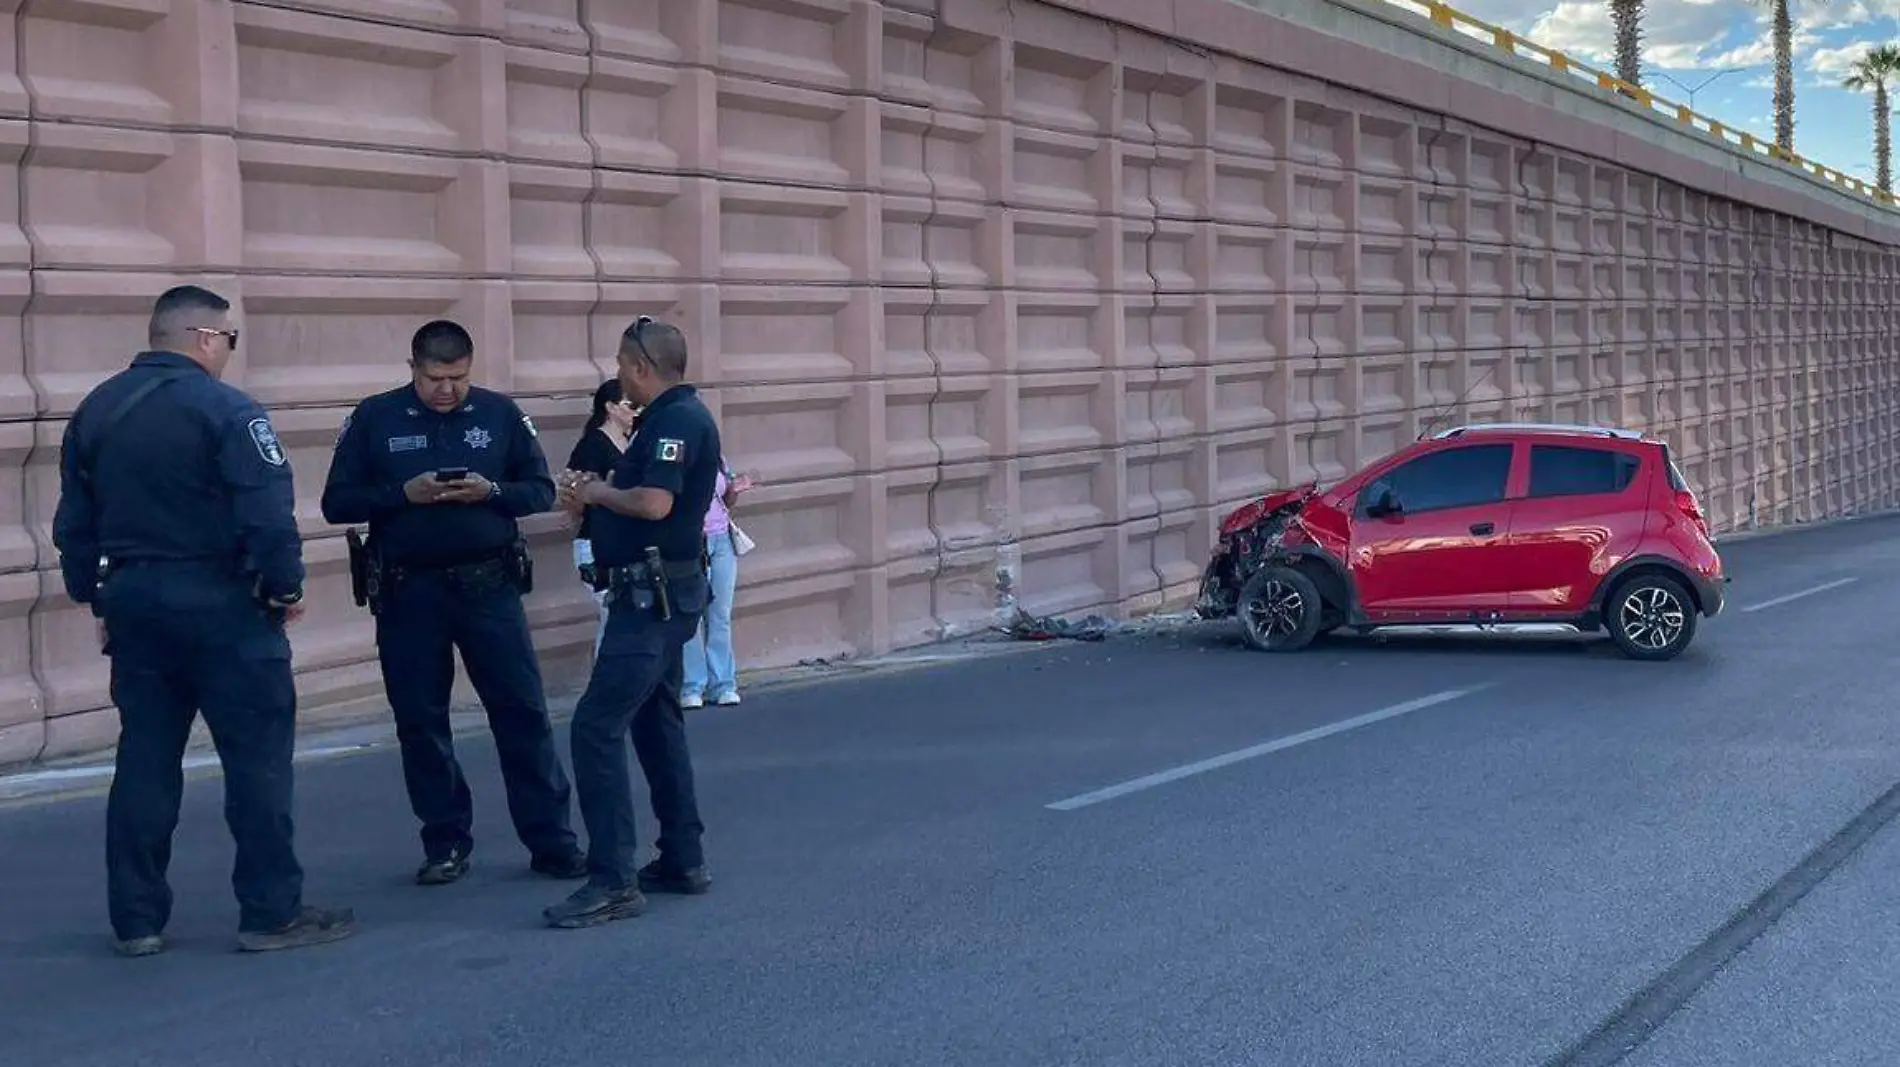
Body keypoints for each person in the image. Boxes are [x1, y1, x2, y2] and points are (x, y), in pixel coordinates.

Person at [51, 284, 356, 957]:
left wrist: (97, 599)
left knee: (145, 759)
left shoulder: (96, 411)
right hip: (223, 605)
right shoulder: (229, 410)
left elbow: (74, 522)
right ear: (206, 338)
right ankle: (271, 911)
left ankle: (136, 920)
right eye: (229, 341)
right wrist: (284, 587)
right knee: (257, 762)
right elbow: (266, 512)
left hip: (136, 604)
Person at [320, 319, 586, 887]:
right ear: (412, 369)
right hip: (408, 589)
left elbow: (539, 490)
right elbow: (336, 501)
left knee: (521, 713)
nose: (447, 390)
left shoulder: (500, 414)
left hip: (488, 585)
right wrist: (401, 496)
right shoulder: (375, 418)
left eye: (459, 378)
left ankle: (551, 839)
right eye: (435, 378)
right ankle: (444, 841)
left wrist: (490, 491)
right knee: (421, 721)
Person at [544, 315, 720, 930]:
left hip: (651, 600)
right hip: (660, 592)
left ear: (641, 367)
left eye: (622, 367)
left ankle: (612, 880)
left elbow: (654, 503)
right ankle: (682, 856)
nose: (619, 378)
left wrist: (595, 492)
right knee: (655, 718)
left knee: (595, 727)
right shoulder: (673, 418)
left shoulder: (674, 421)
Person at [563, 378, 641, 652]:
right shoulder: (593, 445)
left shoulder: (634, 442)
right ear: (610, 407)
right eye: (629, 404)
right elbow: (572, 491)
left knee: (620, 621)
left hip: (626, 543)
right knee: (614, 617)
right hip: (596, 543)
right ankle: (606, 688)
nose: (636, 410)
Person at [680, 456, 754, 708]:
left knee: (719, 614)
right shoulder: (675, 453)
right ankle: (692, 686)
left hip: (721, 539)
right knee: (691, 615)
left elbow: (726, 500)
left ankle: (723, 684)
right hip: (690, 541)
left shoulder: (715, 457)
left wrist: (734, 490)